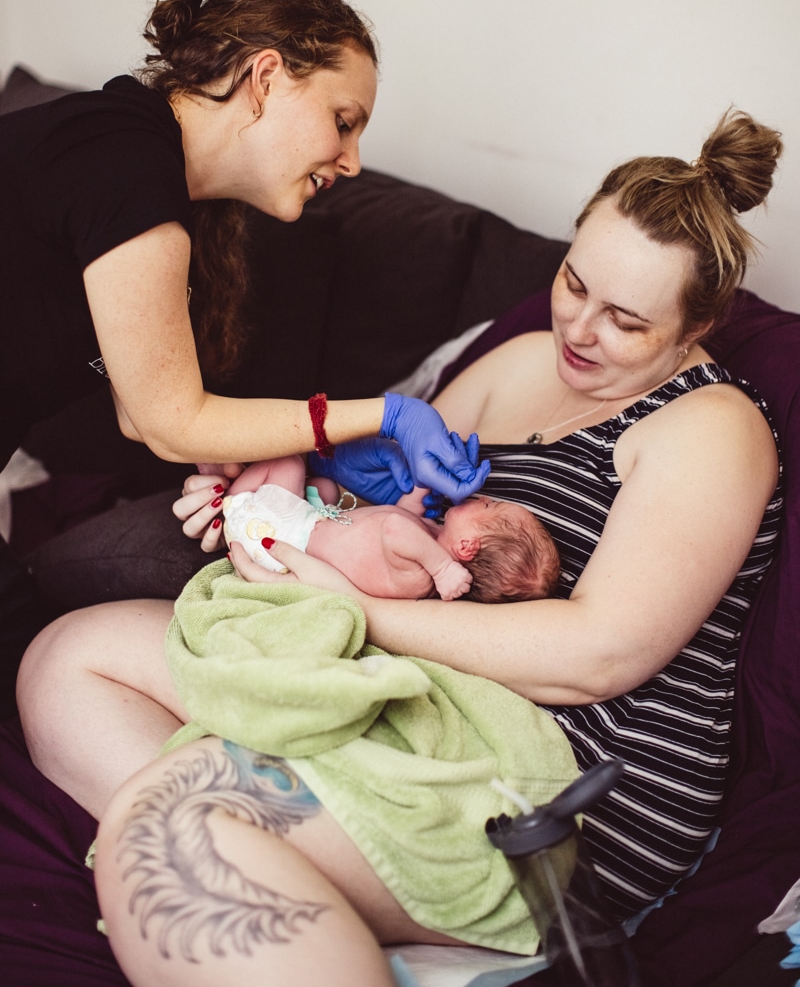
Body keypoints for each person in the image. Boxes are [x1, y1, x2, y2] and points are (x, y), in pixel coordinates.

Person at [17, 108, 784, 986]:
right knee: (64, 662)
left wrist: (357, 609)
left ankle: (300, 866)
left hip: (557, 769)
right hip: (413, 685)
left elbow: (596, 654)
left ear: (697, 326)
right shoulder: (523, 360)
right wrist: (282, 487)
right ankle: (331, 896)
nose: (579, 329)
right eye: (574, 282)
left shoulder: (712, 427)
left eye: (625, 321)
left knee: (168, 826)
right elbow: (380, 503)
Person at [0, 0, 488, 709]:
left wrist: (286, 464)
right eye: (344, 120)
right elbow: (170, 418)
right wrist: (387, 414)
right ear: (265, 78)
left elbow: (147, 410)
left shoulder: (162, 191)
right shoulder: (122, 156)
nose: (351, 160)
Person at [221, 455, 561, 602]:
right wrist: (421, 487)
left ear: (467, 547)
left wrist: (443, 569)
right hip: (309, 523)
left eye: (490, 506)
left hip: (282, 536)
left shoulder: (424, 573)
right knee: (323, 486)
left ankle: (229, 498)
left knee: (289, 463)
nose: (484, 498)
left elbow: (395, 527)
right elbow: (399, 514)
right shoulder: (427, 540)